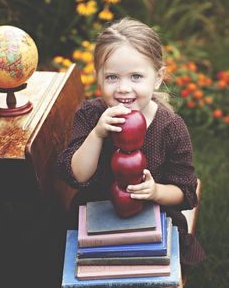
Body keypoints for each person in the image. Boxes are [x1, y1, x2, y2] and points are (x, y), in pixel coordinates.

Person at [57, 17, 206, 269]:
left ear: (157, 77)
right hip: (96, 213)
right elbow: (77, 176)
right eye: (112, 77)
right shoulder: (91, 115)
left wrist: (156, 191)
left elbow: (185, 192)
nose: (124, 88)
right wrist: (97, 134)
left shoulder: (170, 127)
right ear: (98, 78)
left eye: (136, 76)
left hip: (153, 215)